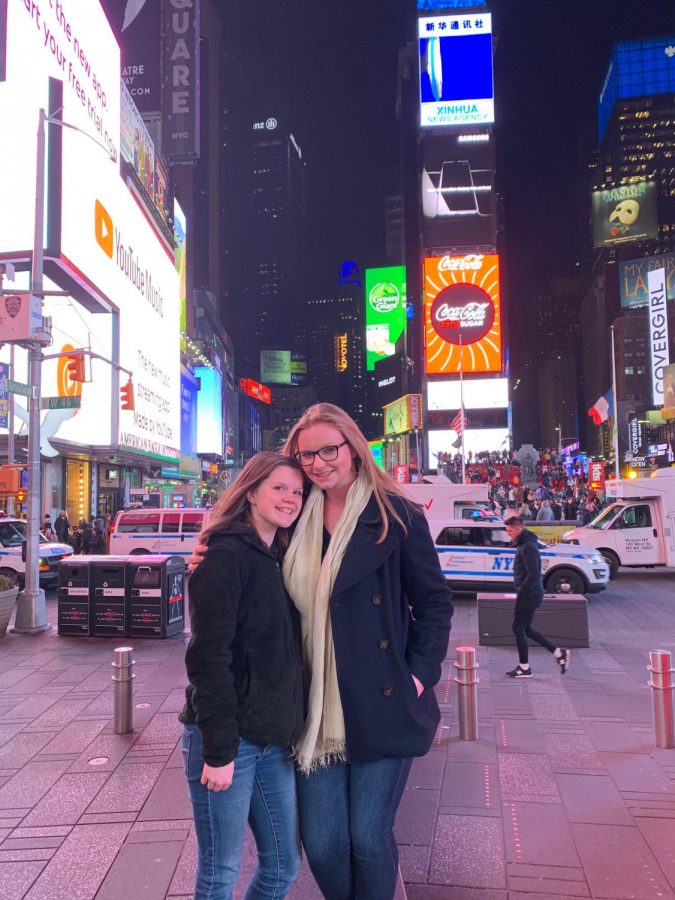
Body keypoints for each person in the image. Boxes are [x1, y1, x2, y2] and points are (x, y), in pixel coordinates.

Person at [189, 404, 453, 900]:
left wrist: (417, 674)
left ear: (353, 447)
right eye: (305, 453)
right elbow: (250, 551)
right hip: (311, 709)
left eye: (328, 449)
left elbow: (434, 602)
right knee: (325, 843)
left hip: (382, 700)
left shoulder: (396, 514)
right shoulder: (295, 514)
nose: (316, 463)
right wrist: (210, 552)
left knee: (369, 839)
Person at [180, 452, 306, 899]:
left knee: (284, 864)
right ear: (251, 491)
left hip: (272, 740)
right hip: (228, 741)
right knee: (220, 870)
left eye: (297, 491)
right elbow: (208, 659)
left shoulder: (281, 556)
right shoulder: (224, 555)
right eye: (279, 488)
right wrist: (219, 751)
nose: (290, 499)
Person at [504, 515, 569, 679]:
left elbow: (533, 575)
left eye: (510, 531)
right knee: (525, 628)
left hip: (530, 594)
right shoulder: (524, 544)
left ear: (519, 529)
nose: (508, 534)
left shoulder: (528, 546)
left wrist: (522, 595)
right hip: (530, 592)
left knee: (518, 628)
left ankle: (524, 668)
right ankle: (558, 653)